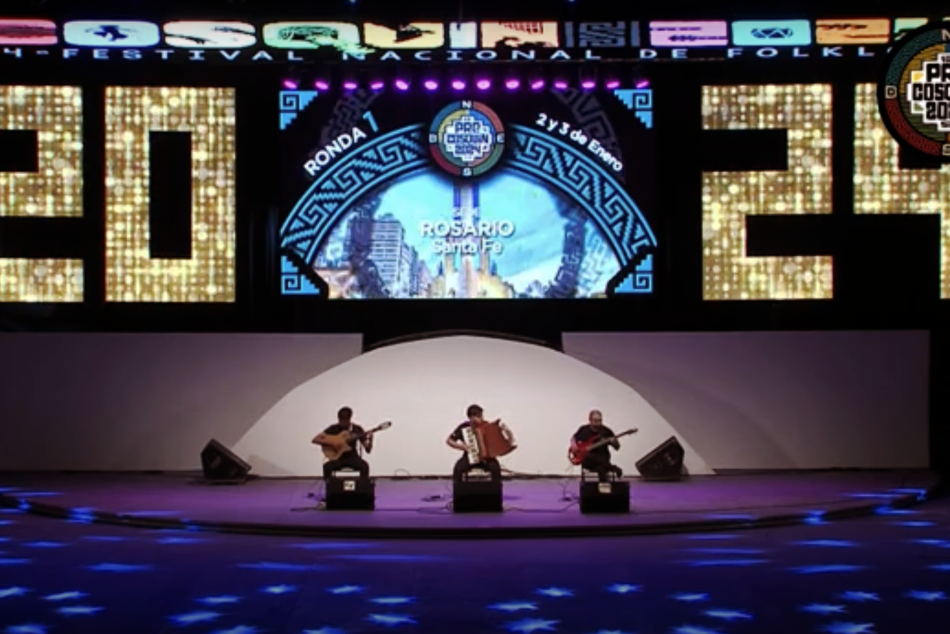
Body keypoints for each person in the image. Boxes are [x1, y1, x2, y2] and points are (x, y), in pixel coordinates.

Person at [446, 404, 515, 481]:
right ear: (471, 417)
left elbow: (509, 442)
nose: (481, 419)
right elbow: (449, 440)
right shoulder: (464, 427)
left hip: (488, 458)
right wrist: (462, 447)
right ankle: (458, 488)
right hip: (469, 456)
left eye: (481, 416)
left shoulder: (488, 426)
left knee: (495, 468)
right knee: (458, 468)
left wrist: (507, 432)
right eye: (478, 416)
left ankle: (495, 488)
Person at [312, 406, 372, 480]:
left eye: (344, 420)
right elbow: (315, 439)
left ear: (349, 419)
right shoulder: (333, 428)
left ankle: (362, 486)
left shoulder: (357, 429)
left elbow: (368, 450)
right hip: (337, 458)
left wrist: (370, 440)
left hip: (353, 457)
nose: (342, 422)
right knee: (327, 467)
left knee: (364, 467)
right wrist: (334, 442)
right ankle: (331, 486)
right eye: (340, 420)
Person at [571, 409, 623, 482]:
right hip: (588, 460)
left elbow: (617, 447)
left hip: (603, 458)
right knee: (591, 457)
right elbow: (574, 438)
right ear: (590, 420)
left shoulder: (606, 431)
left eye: (600, 421)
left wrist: (614, 442)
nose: (598, 423)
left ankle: (602, 487)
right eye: (595, 421)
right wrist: (574, 445)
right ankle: (612, 467)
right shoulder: (583, 429)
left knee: (601, 468)